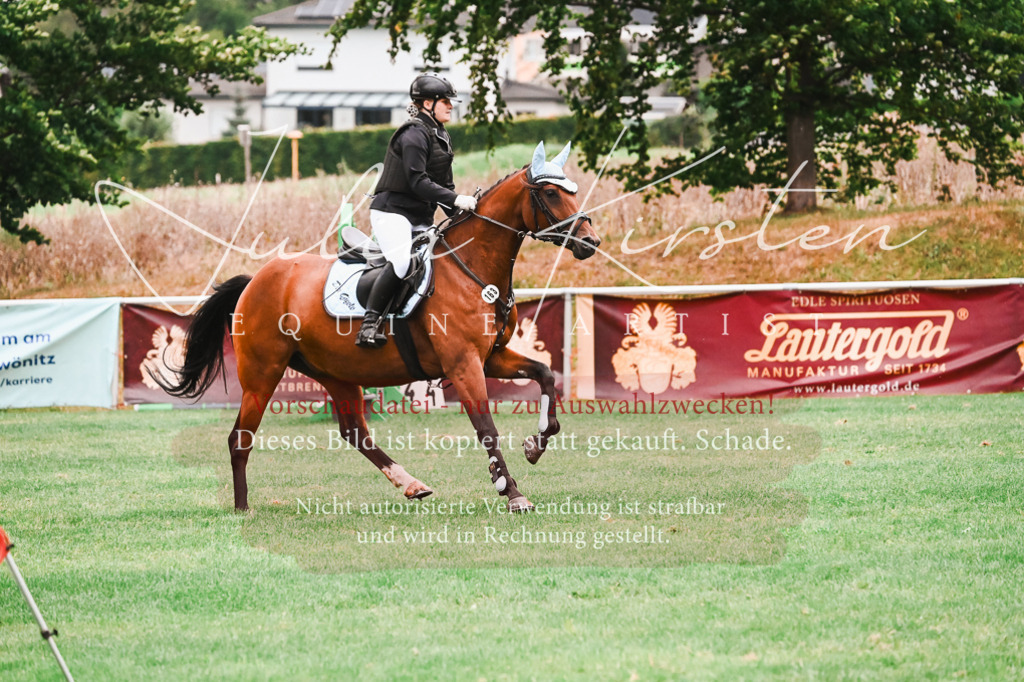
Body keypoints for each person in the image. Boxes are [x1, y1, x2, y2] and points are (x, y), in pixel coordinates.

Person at [357, 73, 477, 348]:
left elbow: (445, 186)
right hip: (392, 212)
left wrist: (465, 217)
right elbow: (417, 182)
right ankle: (369, 323)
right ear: (426, 103)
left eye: (450, 101)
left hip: (420, 217)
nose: (450, 106)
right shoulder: (413, 133)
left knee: (441, 261)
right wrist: (458, 198)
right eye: (445, 101)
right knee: (401, 262)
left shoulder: (441, 136)